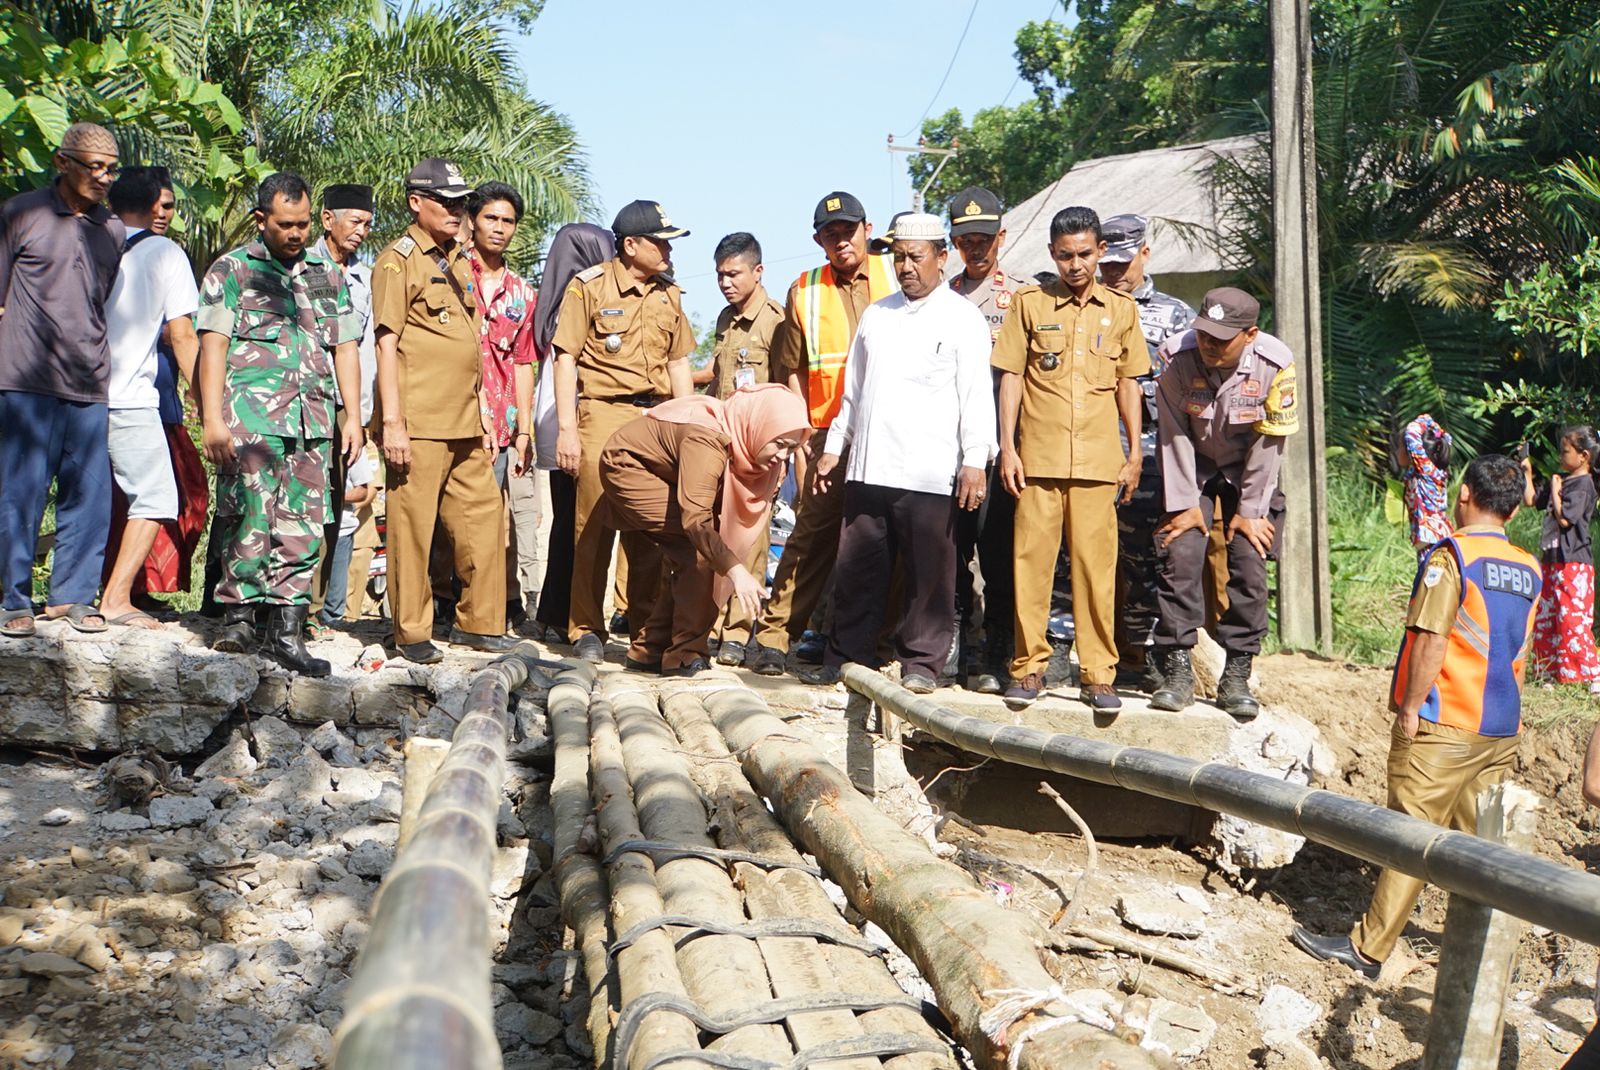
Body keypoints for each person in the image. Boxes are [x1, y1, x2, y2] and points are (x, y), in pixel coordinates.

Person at [1292, 454, 1539, 979]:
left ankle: (1367, 950)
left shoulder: (1451, 558)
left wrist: (1409, 708)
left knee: (1410, 836)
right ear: (1514, 511)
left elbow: (1431, 639)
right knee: (1484, 850)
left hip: (1444, 723)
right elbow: (1522, 650)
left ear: (1464, 494)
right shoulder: (1529, 567)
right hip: (1500, 728)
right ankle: (1496, 962)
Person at [798, 213, 996, 692]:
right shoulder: (877, 315)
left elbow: (976, 395)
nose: (906, 267)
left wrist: (974, 460)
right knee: (859, 569)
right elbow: (854, 390)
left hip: (930, 472)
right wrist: (834, 447)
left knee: (930, 576)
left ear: (941, 257)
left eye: (916, 256)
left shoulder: (963, 319)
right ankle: (847, 656)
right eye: (899, 257)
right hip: (870, 467)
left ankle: (921, 665)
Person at [196, 171, 365, 675]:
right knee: (248, 517)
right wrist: (211, 419)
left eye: (304, 224)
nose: (297, 233)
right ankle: (239, 621)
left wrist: (352, 416)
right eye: (286, 224)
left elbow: (346, 347)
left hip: (312, 418)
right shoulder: (234, 270)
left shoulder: (325, 272)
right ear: (261, 219)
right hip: (251, 418)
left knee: (304, 524)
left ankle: (287, 631)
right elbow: (213, 346)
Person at [991, 206, 1146, 710]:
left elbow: (1129, 383)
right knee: (1030, 566)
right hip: (1038, 458)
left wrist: (1134, 451)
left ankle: (1099, 672)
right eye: (1064, 255)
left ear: (1100, 251)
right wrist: (1008, 447)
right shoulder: (1029, 304)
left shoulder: (1121, 310)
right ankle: (1028, 667)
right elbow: (1011, 376)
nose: (1075, 264)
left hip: (1100, 461)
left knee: (1095, 569)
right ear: (1052, 255)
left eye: (1084, 254)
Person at [749, 191, 899, 676]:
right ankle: (775, 637)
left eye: (848, 230)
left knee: (881, 538)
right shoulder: (805, 288)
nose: (841, 240)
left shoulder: (896, 273)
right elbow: (792, 368)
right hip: (826, 436)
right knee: (810, 536)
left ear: (867, 228)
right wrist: (801, 437)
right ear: (818, 240)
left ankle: (868, 642)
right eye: (830, 234)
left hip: (892, 432)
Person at [373, 157, 513, 663]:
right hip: (419, 421)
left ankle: (480, 623)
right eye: (447, 202)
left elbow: (469, 342)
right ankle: (412, 632)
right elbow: (386, 343)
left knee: (482, 517)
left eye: (461, 202)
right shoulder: (399, 259)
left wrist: (483, 414)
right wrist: (392, 423)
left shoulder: (457, 259)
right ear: (416, 203)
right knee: (413, 528)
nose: (459, 210)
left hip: (465, 421)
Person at [553, 199, 696, 663]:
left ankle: (645, 630)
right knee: (592, 525)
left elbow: (679, 362)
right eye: (660, 242)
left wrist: (687, 422)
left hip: (656, 419)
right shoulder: (588, 287)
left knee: (652, 527)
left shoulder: (668, 294)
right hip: (603, 414)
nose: (668, 251)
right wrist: (568, 431)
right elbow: (565, 358)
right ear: (630, 245)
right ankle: (586, 628)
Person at [1147, 288, 1298, 720]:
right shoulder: (1175, 357)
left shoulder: (1276, 363)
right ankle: (1177, 668)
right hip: (1190, 466)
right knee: (1181, 550)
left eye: (1221, 338)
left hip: (1248, 470)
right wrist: (1182, 504)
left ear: (1250, 334)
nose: (1208, 345)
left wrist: (1250, 512)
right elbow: (1172, 434)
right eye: (1204, 334)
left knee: (1250, 557)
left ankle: (1237, 673)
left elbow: (1270, 444)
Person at [0, 122, 125, 639]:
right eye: (93, 166)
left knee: (90, 495)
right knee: (19, 493)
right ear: (61, 162)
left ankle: (71, 597)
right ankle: (12, 599)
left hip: (90, 380)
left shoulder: (113, 229)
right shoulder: (20, 213)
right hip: (25, 378)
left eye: (111, 168)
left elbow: (100, 300)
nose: (103, 177)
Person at [599, 384, 809, 676]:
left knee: (703, 549)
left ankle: (650, 650)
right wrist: (735, 571)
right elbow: (696, 521)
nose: (781, 457)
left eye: (791, 448)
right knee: (701, 550)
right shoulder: (708, 438)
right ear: (758, 425)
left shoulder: (743, 436)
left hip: (663, 474)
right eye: (779, 444)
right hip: (629, 468)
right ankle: (684, 653)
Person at [1096, 213, 1197, 688]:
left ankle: (1140, 657)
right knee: (1074, 557)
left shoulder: (1175, 316)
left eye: (1122, 262)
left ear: (1144, 254)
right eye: (1106, 264)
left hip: (1152, 456)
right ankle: (1065, 645)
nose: (1113, 273)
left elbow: (1190, 390)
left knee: (1145, 561)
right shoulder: (1083, 306)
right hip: (1091, 449)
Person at [99, 166, 201, 629]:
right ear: (152, 204)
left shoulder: (88, 239)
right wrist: (204, 394)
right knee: (157, 496)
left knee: (83, 500)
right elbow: (183, 334)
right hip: (130, 397)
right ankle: (117, 598)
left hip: (69, 393)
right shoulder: (165, 252)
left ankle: (60, 596)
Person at [945, 187, 1020, 693]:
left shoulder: (1023, 298)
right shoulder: (938, 297)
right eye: (966, 239)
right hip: (946, 449)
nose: (976, 249)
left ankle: (998, 652)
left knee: (998, 554)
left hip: (1000, 449)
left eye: (985, 239)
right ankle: (955, 648)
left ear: (1002, 237)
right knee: (949, 553)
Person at [704, 232, 786, 667]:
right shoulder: (723, 319)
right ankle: (712, 624)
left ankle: (737, 631)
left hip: (758, 449)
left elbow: (788, 384)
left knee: (752, 540)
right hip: (722, 441)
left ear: (758, 271)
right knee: (719, 533)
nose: (725, 282)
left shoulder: (776, 320)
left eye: (733, 273)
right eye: (719, 274)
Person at [531, 223, 614, 640]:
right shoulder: (581, 299)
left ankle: (552, 612)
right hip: (576, 427)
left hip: (558, 428)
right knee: (577, 527)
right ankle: (566, 617)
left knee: (567, 524)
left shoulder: (555, 301)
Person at [466, 181, 538, 627]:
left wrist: (525, 430)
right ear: (472, 220)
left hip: (504, 424)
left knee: (496, 521)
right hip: (452, 413)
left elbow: (524, 362)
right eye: (491, 218)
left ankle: (491, 609)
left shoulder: (522, 294)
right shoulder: (450, 275)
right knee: (447, 520)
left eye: (508, 221)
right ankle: (439, 603)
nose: (499, 228)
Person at [307, 182, 375, 632]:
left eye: (368, 224)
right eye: (354, 221)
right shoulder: (305, 267)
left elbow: (366, 347)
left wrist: (362, 414)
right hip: (310, 403)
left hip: (351, 412)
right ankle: (298, 608)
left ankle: (325, 612)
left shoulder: (367, 278)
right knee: (307, 508)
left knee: (342, 508)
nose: (361, 232)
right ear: (327, 218)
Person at [1524, 426, 1600, 691]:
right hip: (1552, 561)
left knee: (1573, 620)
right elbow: (1531, 499)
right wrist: (1527, 472)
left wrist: (1557, 491)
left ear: (1584, 456)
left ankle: (1592, 675)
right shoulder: (1561, 480)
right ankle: (1547, 671)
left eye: (1565, 451)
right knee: (1547, 616)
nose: (1560, 456)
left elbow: (1566, 519)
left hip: (1574, 564)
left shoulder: (1584, 484)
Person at [1398, 413, 1453, 553]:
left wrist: (1425, 419)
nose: (1397, 451)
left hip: (1433, 541)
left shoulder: (1427, 472)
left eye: (1399, 447)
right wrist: (1431, 425)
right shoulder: (1424, 474)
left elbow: (1411, 432)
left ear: (1410, 451)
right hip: (1429, 540)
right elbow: (1447, 437)